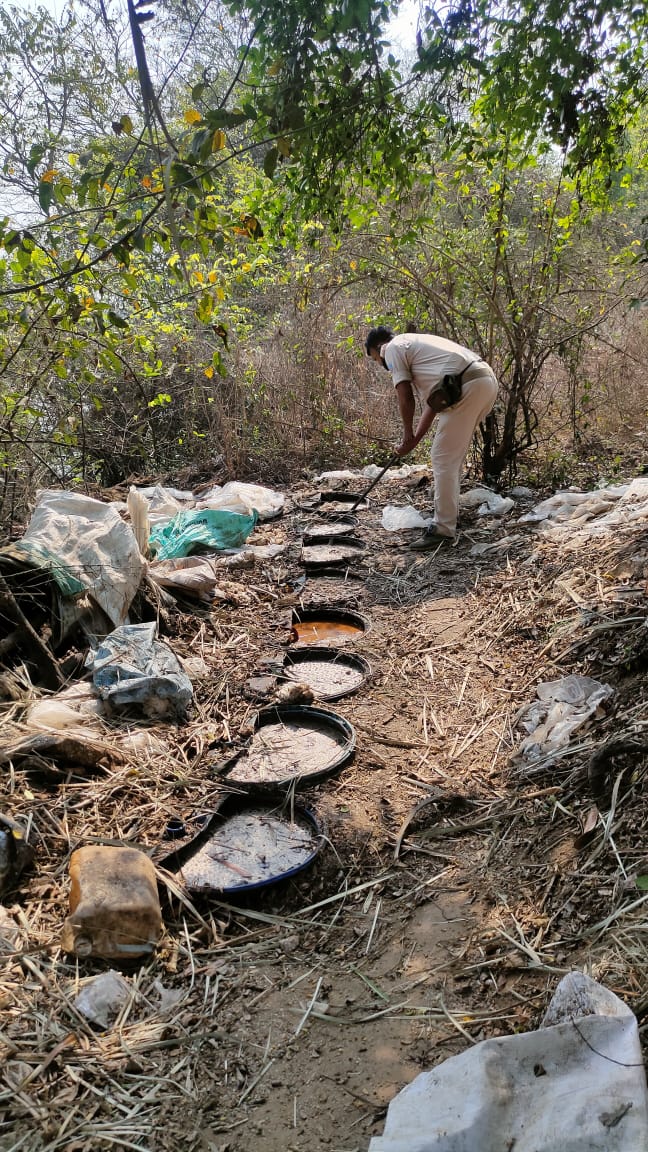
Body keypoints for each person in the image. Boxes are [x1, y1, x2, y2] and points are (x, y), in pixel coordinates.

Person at [365, 326, 498, 549]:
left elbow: (406, 397)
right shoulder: (417, 347)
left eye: (376, 359)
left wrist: (407, 433)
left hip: (468, 385)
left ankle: (443, 531)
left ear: (379, 348)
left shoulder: (393, 348)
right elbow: (434, 404)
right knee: (449, 459)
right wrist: (413, 440)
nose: (380, 364)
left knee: (443, 458)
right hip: (483, 381)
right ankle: (448, 518)